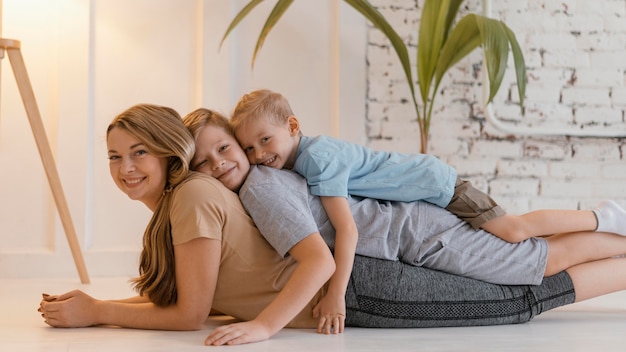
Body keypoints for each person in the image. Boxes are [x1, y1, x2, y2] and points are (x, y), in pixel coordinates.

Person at [37, 104, 626, 348]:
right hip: (376, 260)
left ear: (170, 154)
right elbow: (207, 294)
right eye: (115, 157)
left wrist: (98, 310)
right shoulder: (206, 193)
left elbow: (195, 313)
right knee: (527, 272)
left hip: (370, 275)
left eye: (139, 153)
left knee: (526, 284)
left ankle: (613, 224)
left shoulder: (211, 193)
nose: (125, 169)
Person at [228, 88, 626, 333]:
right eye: (249, 148)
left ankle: (605, 217)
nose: (260, 155)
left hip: (437, 187)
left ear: (293, 126)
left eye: (265, 140)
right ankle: (608, 224)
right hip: (427, 191)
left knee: (520, 234)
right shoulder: (301, 160)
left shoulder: (317, 161)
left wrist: (336, 296)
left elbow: (345, 230)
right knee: (528, 243)